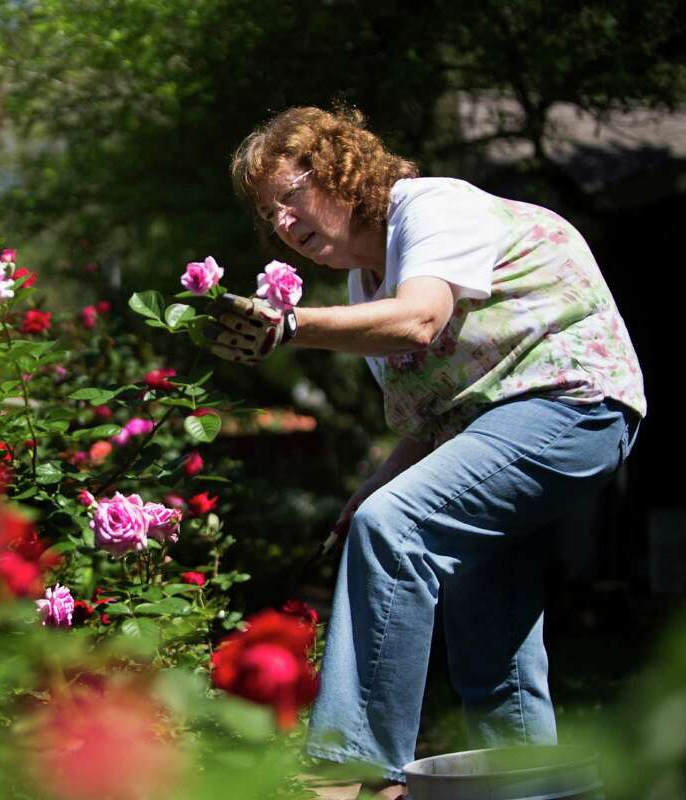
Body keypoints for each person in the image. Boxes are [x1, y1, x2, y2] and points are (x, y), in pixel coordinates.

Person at [206, 106, 645, 798]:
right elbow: (431, 419)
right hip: (489, 435)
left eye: (291, 196)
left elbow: (419, 322)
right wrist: (369, 489)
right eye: (273, 216)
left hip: (571, 406)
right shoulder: (364, 286)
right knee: (490, 639)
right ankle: (530, 789)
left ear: (342, 173)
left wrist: (288, 326)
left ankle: (357, 770)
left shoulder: (430, 208)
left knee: (397, 527)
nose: (286, 225)